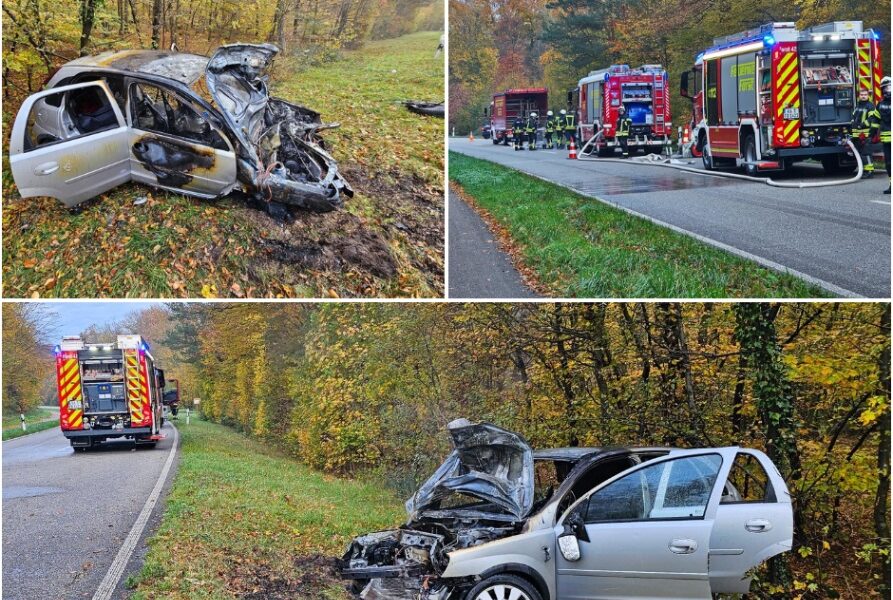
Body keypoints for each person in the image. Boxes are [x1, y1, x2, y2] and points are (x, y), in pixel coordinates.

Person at [852, 87, 879, 178]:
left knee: (866, 153)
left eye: (865, 95)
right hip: (857, 134)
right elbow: (854, 117)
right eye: (861, 95)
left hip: (866, 134)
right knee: (860, 153)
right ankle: (864, 170)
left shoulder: (870, 106)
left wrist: (862, 125)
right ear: (859, 96)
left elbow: (871, 119)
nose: (863, 96)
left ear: (868, 96)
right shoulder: (858, 105)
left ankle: (869, 171)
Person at [878, 76, 891, 194]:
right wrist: (869, 135)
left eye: (889, 87)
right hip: (887, 141)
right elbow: (875, 120)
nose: (888, 90)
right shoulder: (880, 104)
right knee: (888, 163)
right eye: (885, 88)